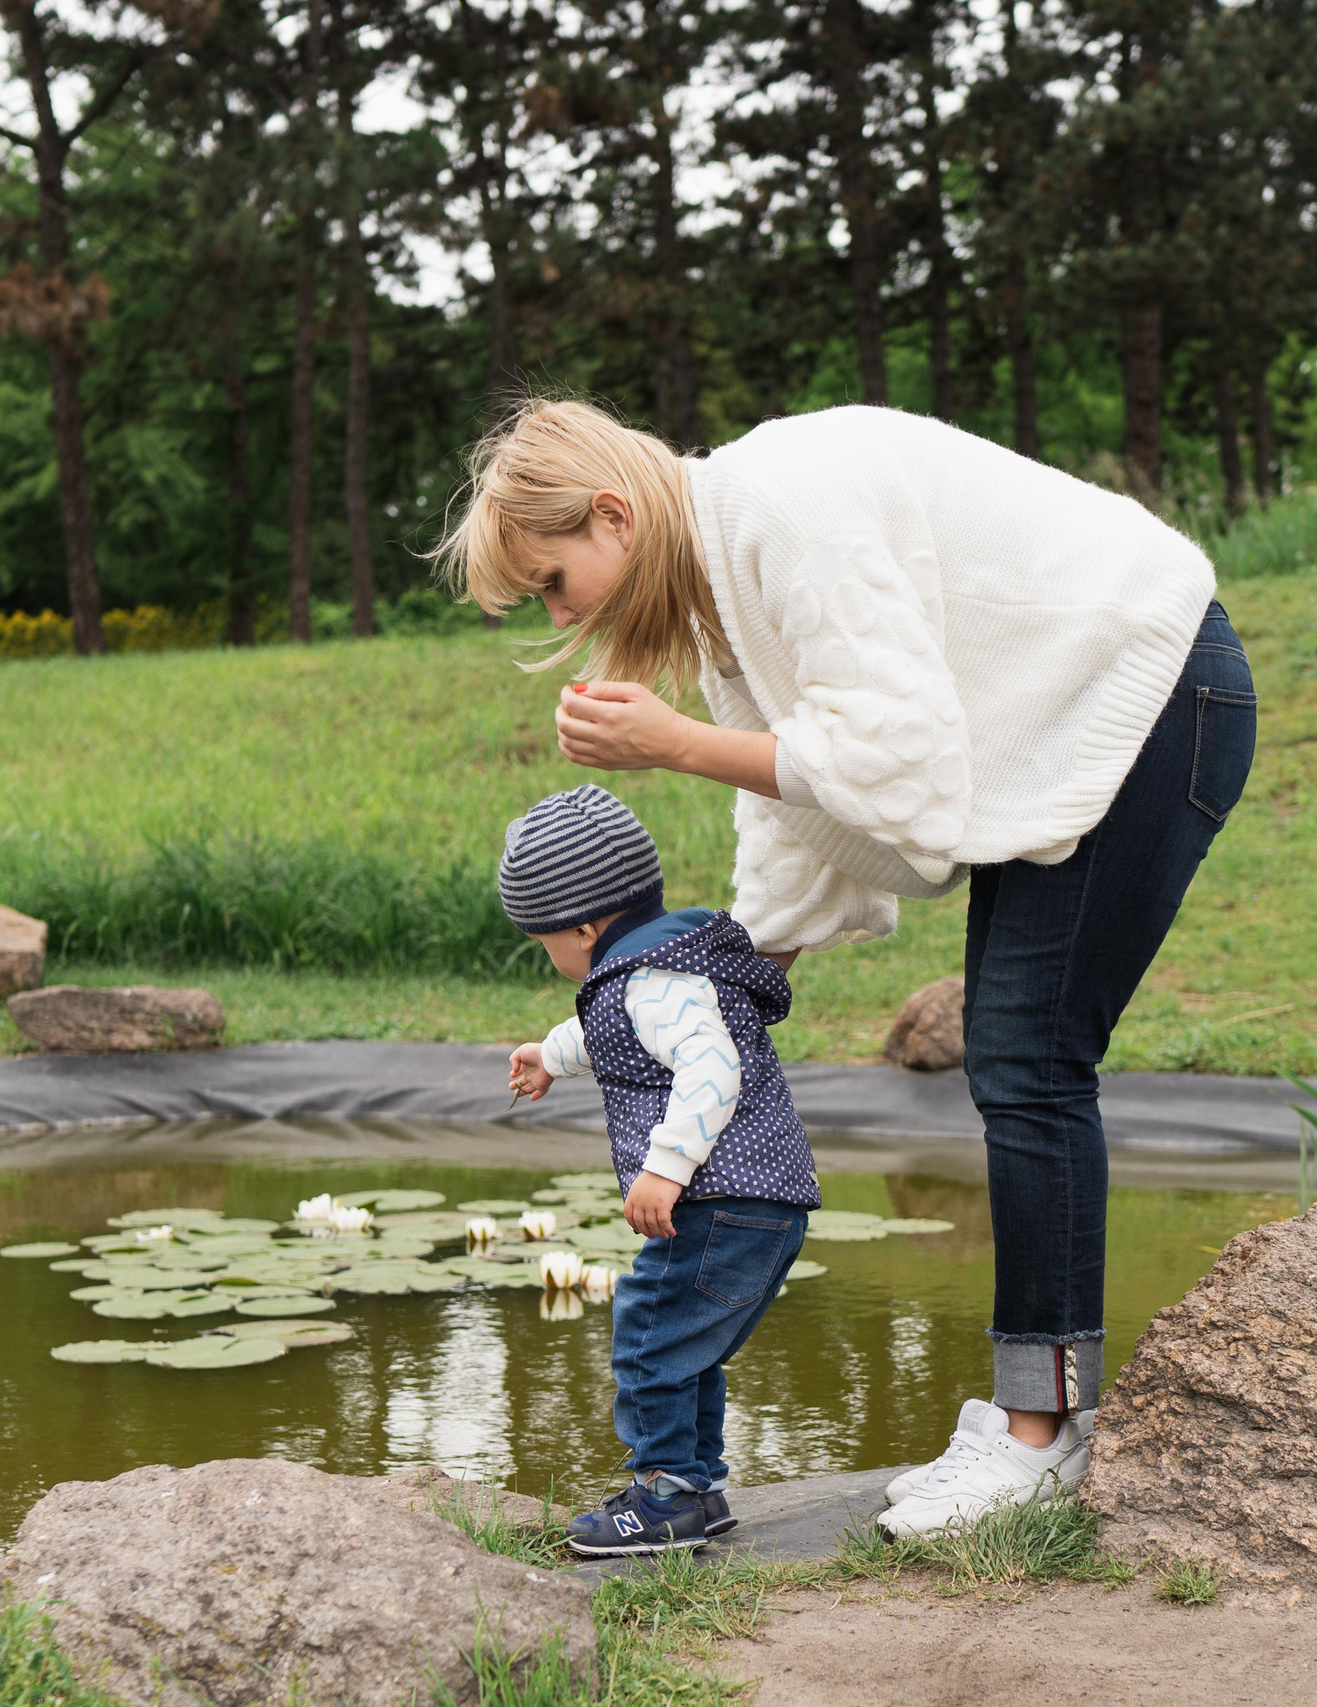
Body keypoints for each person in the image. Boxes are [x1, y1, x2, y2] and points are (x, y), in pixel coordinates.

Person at [441, 398, 1256, 1538]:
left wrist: (675, 743)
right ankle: (1030, 1421)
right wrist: (719, 983)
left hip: (1150, 697)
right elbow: (789, 803)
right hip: (1075, 729)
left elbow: (897, 756)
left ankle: (1040, 1437)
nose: (562, 617)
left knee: (1028, 1059)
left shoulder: (780, 504)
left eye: (552, 581)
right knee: (1020, 1057)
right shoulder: (730, 580)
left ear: (612, 516)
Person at [499, 782, 819, 1556]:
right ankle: (697, 1488)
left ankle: (664, 1493)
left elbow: (711, 1067)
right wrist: (549, 1056)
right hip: (758, 1195)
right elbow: (611, 1034)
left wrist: (665, 1167)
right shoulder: (656, 970)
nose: (553, 959)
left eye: (547, 942)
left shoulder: (653, 982)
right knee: (686, 1341)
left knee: (646, 1327)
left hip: (721, 1194)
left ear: (582, 927)